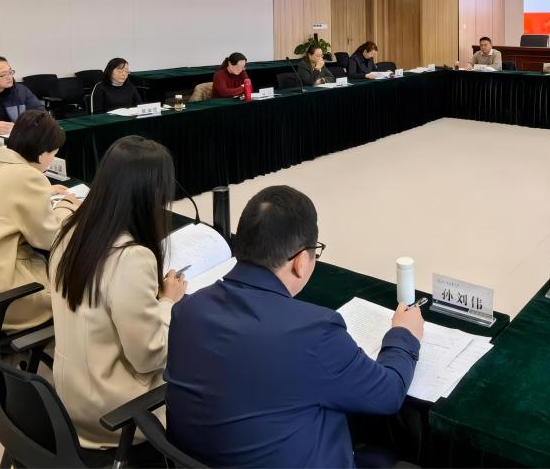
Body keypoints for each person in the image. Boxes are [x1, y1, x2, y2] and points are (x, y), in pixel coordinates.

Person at [166, 185, 423, 467]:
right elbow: (388, 394)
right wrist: (403, 334)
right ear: (301, 262)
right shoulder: (314, 332)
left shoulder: (187, 309)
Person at [49, 136, 187, 458]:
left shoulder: (71, 230)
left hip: (69, 396)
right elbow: (149, 356)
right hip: (115, 412)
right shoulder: (132, 257)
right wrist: (167, 302)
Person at [0, 110, 81, 332]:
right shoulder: (28, 177)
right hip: (3, 297)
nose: (52, 160)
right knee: (79, 285)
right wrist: (67, 205)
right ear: (42, 154)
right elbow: (50, 237)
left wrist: (46, 192)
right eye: (53, 154)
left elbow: (8, 196)